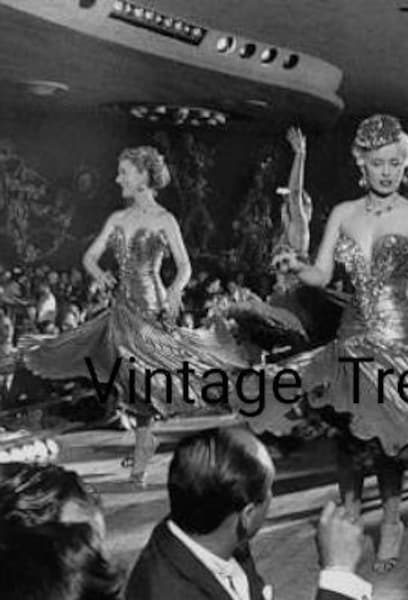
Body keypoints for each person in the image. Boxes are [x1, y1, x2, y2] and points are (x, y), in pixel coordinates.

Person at [233, 115, 408, 573]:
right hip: (351, 333)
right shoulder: (345, 214)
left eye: (394, 163)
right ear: (361, 165)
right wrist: (294, 264)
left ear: (403, 166)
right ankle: (349, 512)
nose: (386, 172)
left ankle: (391, 521)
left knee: (390, 438)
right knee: (348, 432)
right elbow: (323, 275)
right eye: (377, 163)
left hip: (399, 335)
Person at [7, 147, 247, 484]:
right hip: (122, 312)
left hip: (152, 313)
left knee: (151, 391)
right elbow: (90, 257)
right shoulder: (116, 220)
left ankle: (141, 462)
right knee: (126, 386)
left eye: (124, 172)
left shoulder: (165, 220)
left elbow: (185, 266)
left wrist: (177, 288)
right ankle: (139, 458)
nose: (117, 178)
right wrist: (100, 275)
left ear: (143, 176)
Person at [126, 427, 371, 600]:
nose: (272, 497)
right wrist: (339, 573)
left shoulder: (210, 534)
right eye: (269, 490)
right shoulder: (169, 591)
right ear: (248, 515)